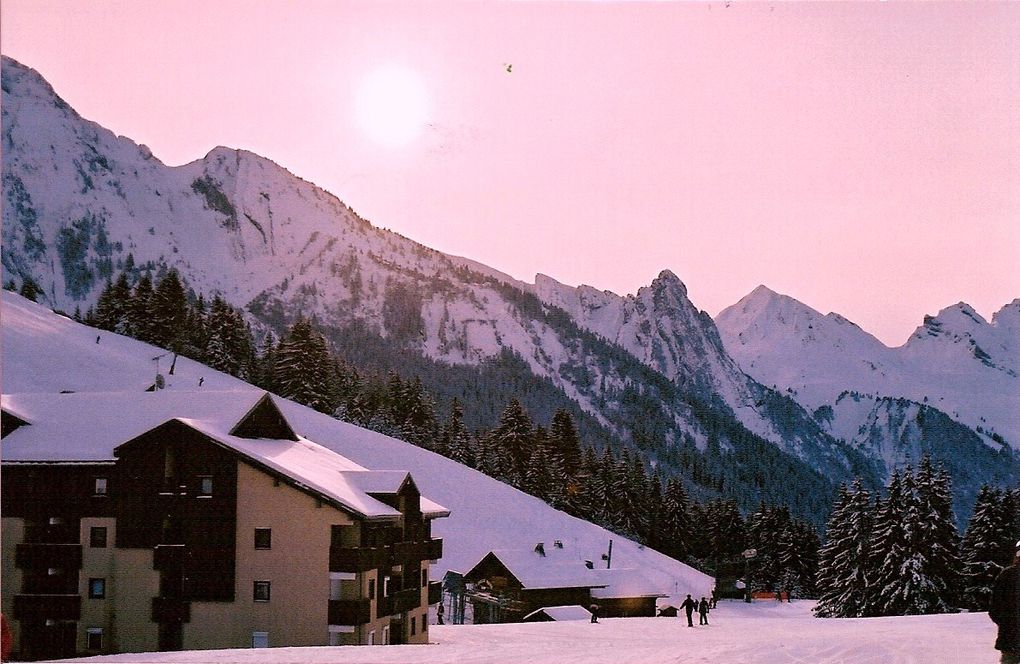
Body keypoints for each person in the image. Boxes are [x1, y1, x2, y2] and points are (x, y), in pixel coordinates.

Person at [991, 546, 1020, 664]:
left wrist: (1006, 623)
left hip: (1010, 637)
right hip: (1010, 635)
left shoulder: (1006, 575)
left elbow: (994, 608)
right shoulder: (1006, 575)